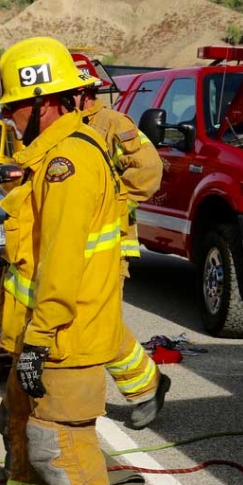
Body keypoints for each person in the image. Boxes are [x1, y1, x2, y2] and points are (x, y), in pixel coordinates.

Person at [0, 37, 125, 485]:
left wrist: (39, 340)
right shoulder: (46, 160)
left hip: (63, 340)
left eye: (14, 109)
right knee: (23, 444)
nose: (10, 121)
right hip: (37, 338)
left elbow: (60, 266)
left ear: (43, 103)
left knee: (61, 455)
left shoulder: (69, 165)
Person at [77, 66, 169, 430]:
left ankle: (147, 387)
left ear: (85, 90)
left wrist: (107, 202)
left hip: (109, 244)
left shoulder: (112, 123)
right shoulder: (58, 128)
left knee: (101, 324)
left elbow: (147, 171)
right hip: (70, 244)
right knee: (78, 321)